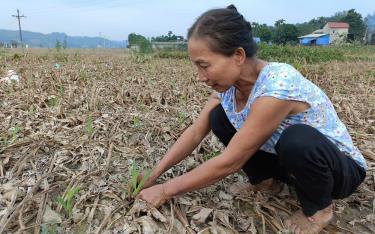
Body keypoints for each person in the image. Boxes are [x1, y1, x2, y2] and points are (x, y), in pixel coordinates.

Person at [137, 4, 367, 233]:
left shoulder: (278, 84)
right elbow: (196, 132)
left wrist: (165, 190)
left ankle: (319, 209)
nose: (200, 77)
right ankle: (268, 182)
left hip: (338, 171)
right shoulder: (227, 87)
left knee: (297, 138)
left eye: (204, 66)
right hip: (288, 162)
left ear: (238, 55)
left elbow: (231, 161)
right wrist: (154, 174)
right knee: (219, 117)